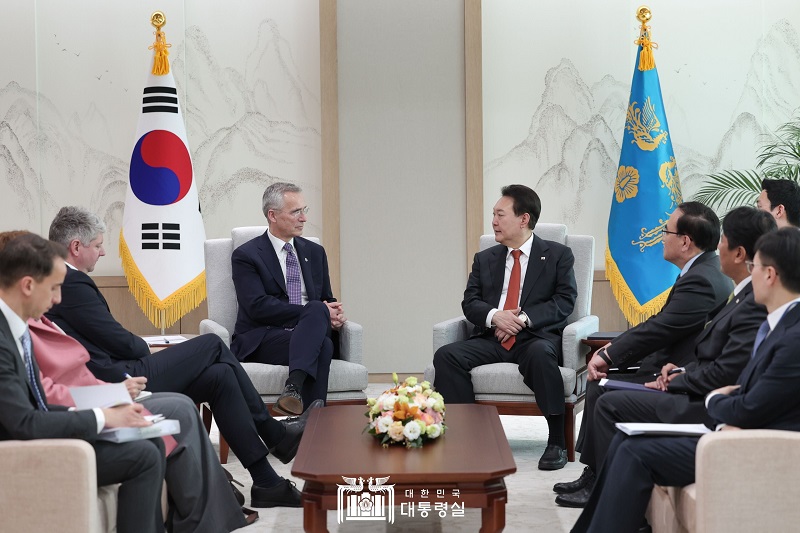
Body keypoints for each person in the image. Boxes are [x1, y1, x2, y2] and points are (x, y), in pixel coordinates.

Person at [45, 206, 316, 508]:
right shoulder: (71, 283)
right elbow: (119, 341)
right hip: (121, 376)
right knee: (212, 344)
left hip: (114, 368)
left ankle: (267, 482)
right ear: (76, 247)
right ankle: (274, 432)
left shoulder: (61, 282)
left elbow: (102, 337)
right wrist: (143, 345)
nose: (104, 252)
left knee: (220, 377)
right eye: (98, 245)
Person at [572, 227, 800, 533]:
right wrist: (725, 395)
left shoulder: (792, 338)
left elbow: (748, 405)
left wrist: (715, 398)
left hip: (750, 445)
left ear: (770, 274)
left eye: (754, 268)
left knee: (633, 450)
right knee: (626, 441)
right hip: (730, 427)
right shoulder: (781, 323)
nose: (751, 274)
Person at [561, 202, 732, 506]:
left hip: (675, 374)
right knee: (598, 383)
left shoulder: (703, 279)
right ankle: (594, 474)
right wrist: (611, 352)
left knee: (601, 387)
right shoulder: (700, 270)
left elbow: (661, 329)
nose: (661, 237)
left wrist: (611, 355)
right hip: (665, 363)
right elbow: (658, 326)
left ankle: (599, 482)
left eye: (666, 231)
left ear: (685, 242)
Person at [0, 233, 166, 533]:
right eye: (54, 288)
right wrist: (103, 416)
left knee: (147, 439)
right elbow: (23, 423)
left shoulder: (16, 328)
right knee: (143, 456)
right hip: (19, 452)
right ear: (27, 286)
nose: (57, 300)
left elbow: (38, 402)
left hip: (35, 436)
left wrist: (107, 411)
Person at [433, 184, 578, 470]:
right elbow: (470, 302)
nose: (494, 222)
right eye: (493, 215)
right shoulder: (485, 258)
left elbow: (564, 301)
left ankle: (556, 441)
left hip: (534, 337)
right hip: (492, 338)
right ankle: (469, 439)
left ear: (524, 219)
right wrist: (495, 316)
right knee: (446, 356)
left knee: (539, 355)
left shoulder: (558, 255)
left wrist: (522, 320)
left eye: (500, 215)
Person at [231, 182, 345, 415]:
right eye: (296, 212)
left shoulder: (315, 252)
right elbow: (256, 307)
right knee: (322, 346)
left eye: (305, 210)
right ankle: (313, 429)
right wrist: (317, 311)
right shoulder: (246, 255)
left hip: (308, 330)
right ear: (272, 215)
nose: (303, 218)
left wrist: (333, 315)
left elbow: (326, 298)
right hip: (265, 336)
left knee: (317, 314)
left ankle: (293, 390)